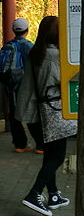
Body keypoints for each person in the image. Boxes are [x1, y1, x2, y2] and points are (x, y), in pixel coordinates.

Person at [17, 16, 76, 216]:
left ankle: (52, 195)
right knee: (57, 156)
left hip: (34, 114)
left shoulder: (36, 52)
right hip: (51, 114)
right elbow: (59, 83)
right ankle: (34, 194)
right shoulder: (54, 56)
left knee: (50, 156)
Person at [0, 18, 44, 153]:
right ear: (27, 30)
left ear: (14, 30)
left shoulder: (7, 46)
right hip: (27, 85)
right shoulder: (30, 47)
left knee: (14, 114)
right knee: (31, 112)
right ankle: (40, 145)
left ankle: (20, 144)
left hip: (11, 86)